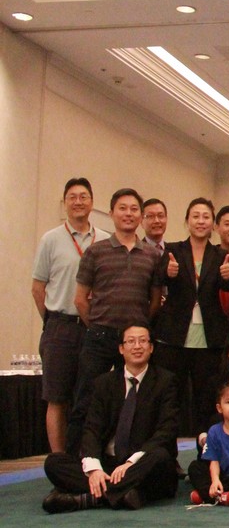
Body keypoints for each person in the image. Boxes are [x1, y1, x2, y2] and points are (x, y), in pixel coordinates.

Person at [43, 324, 179, 513]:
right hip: (109, 464)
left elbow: (166, 430)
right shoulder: (104, 383)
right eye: (130, 341)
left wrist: (130, 463)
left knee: (161, 457)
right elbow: (91, 429)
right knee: (54, 463)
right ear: (121, 348)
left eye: (142, 341)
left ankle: (91, 498)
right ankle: (122, 493)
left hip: (140, 463)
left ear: (151, 347)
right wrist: (95, 470)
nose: (137, 346)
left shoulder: (166, 381)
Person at [70, 189, 161, 452]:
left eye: (134, 209)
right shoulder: (95, 252)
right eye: (122, 208)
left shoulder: (152, 255)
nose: (128, 214)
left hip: (135, 343)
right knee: (85, 400)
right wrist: (99, 326)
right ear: (111, 213)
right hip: (99, 337)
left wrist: (136, 330)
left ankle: (125, 458)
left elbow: (155, 302)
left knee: (133, 400)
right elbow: (80, 300)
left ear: (141, 216)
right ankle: (75, 461)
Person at [32, 177, 108, 453]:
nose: (78, 201)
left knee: (90, 397)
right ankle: (59, 460)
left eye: (83, 196)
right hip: (61, 327)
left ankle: (87, 456)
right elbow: (38, 288)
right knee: (57, 398)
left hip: (96, 328)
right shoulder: (50, 239)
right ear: (65, 203)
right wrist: (52, 322)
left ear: (92, 202)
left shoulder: (105, 240)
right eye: (72, 197)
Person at [153, 198, 229, 435]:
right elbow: (159, 278)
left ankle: (205, 448)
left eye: (206, 217)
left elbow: (227, 287)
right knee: (173, 398)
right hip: (175, 337)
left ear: (213, 224)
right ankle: (169, 449)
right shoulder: (173, 250)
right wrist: (168, 272)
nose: (201, 221)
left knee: (205, 398)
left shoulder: (219, 254)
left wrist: (228, 277)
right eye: (196, 216)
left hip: (208, 338)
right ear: (187, 221)